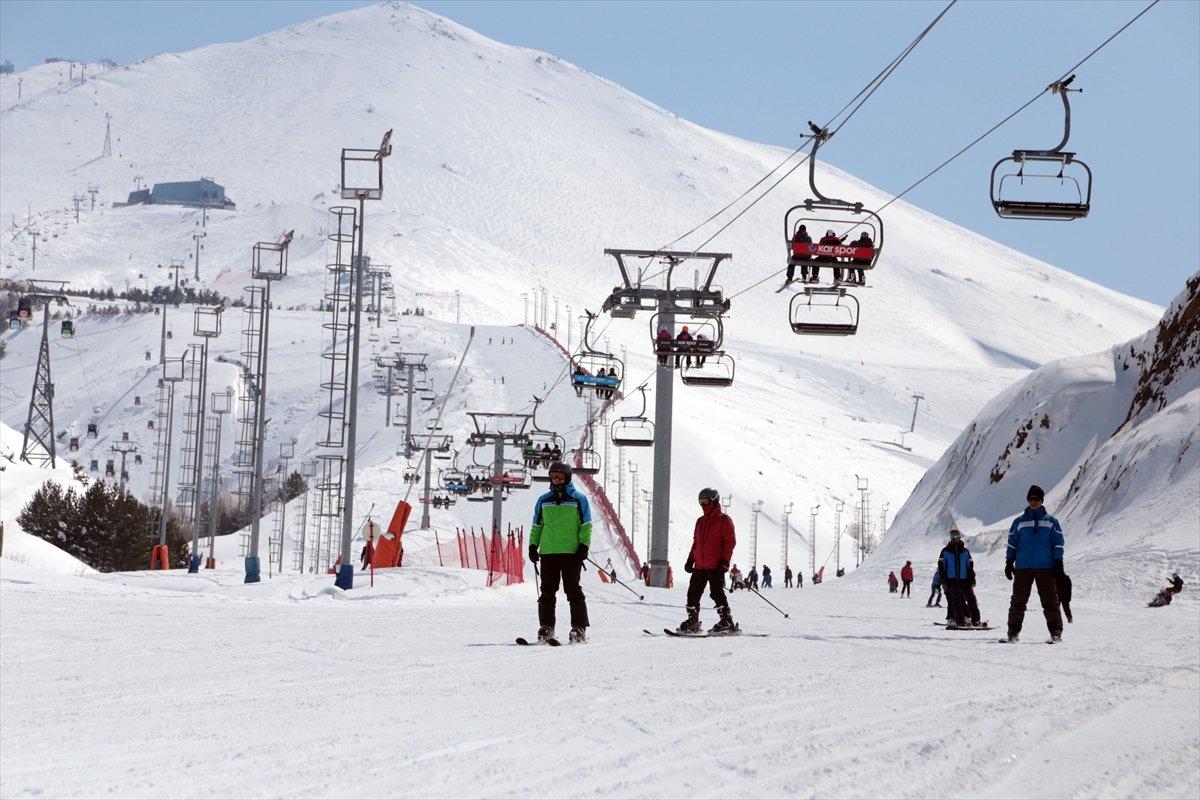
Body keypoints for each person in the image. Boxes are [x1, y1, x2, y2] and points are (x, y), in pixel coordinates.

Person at [528, 462, 592, 644]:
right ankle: (546, 627)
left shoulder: (579, 499)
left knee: (573, 591)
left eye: (560, 477)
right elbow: (537, 526)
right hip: (548, 553)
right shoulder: (543, 500)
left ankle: (579, 628)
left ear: (568, 478)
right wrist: (533, 546)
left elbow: (586, 525)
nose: (556, 480)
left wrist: (584, 546)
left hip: (571, 553)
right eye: (553, 477)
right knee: (547, 592)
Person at [1003, 485, 1065, 643]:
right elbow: (1012, 543)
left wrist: (1058, 562)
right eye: (1030, 499)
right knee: (1018, 601)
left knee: (1050, 601)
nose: (1033, 502)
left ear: (1042, 500)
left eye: (1036, 499)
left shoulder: (1051, 521)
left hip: (1046, 567)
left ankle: (1055, 632)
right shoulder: (1019, 522)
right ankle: (1013, 632)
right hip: (1023, 567)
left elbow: (1058, 543)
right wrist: (1009, 561)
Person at [679, 488, 737, 634]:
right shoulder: (700, 521)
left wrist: (725, 561)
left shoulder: (724, 520)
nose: (703, 505)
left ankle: (727, 621)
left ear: (714, 500)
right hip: (699, 565)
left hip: (716, 565)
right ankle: (693, 621)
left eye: (705, 501)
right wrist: (690, 559)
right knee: (693, 592)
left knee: (716, 592)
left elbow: (730, 542)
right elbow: (696, 543)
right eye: (700, 502)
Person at [940, 529, 981, 627]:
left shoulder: (965, 551)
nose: (954, 538)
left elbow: (970, 566)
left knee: (972, 600)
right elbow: (941, 566)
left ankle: (976, 621)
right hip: (952, 581)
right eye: (952, 536)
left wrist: (971, 578)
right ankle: (960, 622)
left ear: (959, 537)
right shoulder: (945, 551)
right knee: (956, 602)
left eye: (956, 536)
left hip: (964, 581)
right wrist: (945, 580)